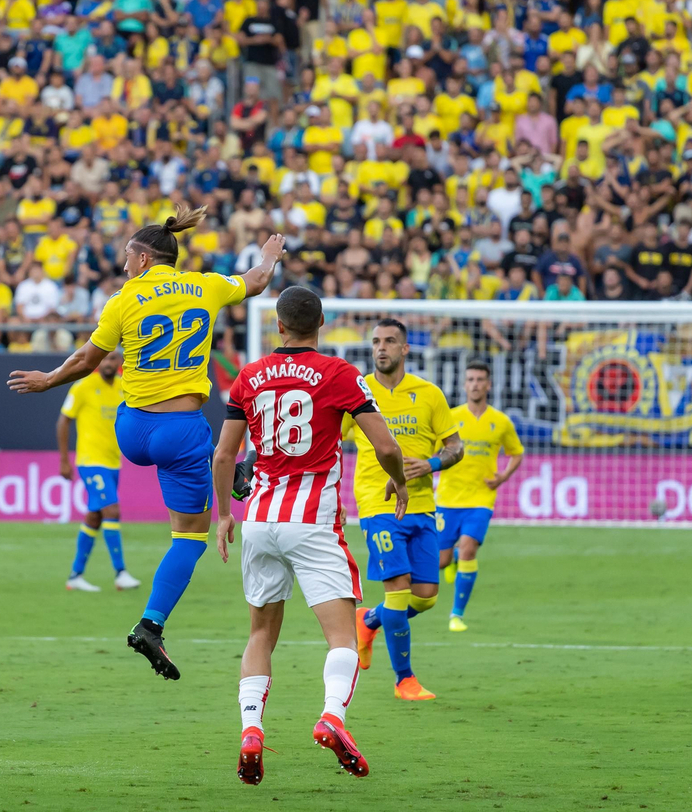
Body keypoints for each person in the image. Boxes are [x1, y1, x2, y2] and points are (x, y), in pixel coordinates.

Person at [9, 207, 284, 680]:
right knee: (191, 536)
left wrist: (49, 379)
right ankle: (151, 624)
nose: (122, 267)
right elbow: (256, 281)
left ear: (141, 259)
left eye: (125, 259)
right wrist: (268, 255)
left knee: (211, 459)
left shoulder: (122, 299)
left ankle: (237, 472)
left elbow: (86, 358)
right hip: (180, 434)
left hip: (131, 430)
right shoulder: (206, 284)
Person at [213, 286, 406, 785]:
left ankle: (251, 731)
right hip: (313, 519)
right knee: (341, 635)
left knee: (260, 633)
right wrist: (400, 482)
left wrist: (223, 516)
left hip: (258, 518)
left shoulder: (249, 376)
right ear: (321, 324)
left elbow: (223, 457)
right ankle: (331, 717)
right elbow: (384, 445)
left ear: (279, 326)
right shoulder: (341, 374)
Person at [350, 318, 463, 702]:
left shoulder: (429, 394)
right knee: (397, 591)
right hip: (377, 504)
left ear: (405, 349)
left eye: (390, 341)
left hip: (422, 506)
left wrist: (429, 464)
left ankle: (368, 621)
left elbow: (455, 447)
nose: (381, 348)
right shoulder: (357, 392)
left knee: (426, 595)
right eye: (376, 341)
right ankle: (404, 680)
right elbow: (330, 436)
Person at [436, 360, 524, 632]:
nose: (475, 384)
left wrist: (502, 477)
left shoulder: (500, 422)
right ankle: (449, 563)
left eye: (479, 380)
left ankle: (456, 615)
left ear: (488, 384)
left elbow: (516, 453)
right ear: (464, 384)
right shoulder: (450, 418)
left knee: (469, 547)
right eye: (470, 379)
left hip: (480, 499)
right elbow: (431, 449)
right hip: (448, 498)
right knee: (440, 560)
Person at [57, 349, 140, 593]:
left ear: (120, 361)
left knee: (95, 517)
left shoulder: (124, 386)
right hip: (91, 460)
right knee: (111, 510)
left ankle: (75, 575)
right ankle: (120, 573)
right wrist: (64, 459)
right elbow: (63, 420)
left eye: (113, 358)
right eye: (104, 357)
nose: (108, 362)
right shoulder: (83, 386)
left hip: (113, 461)